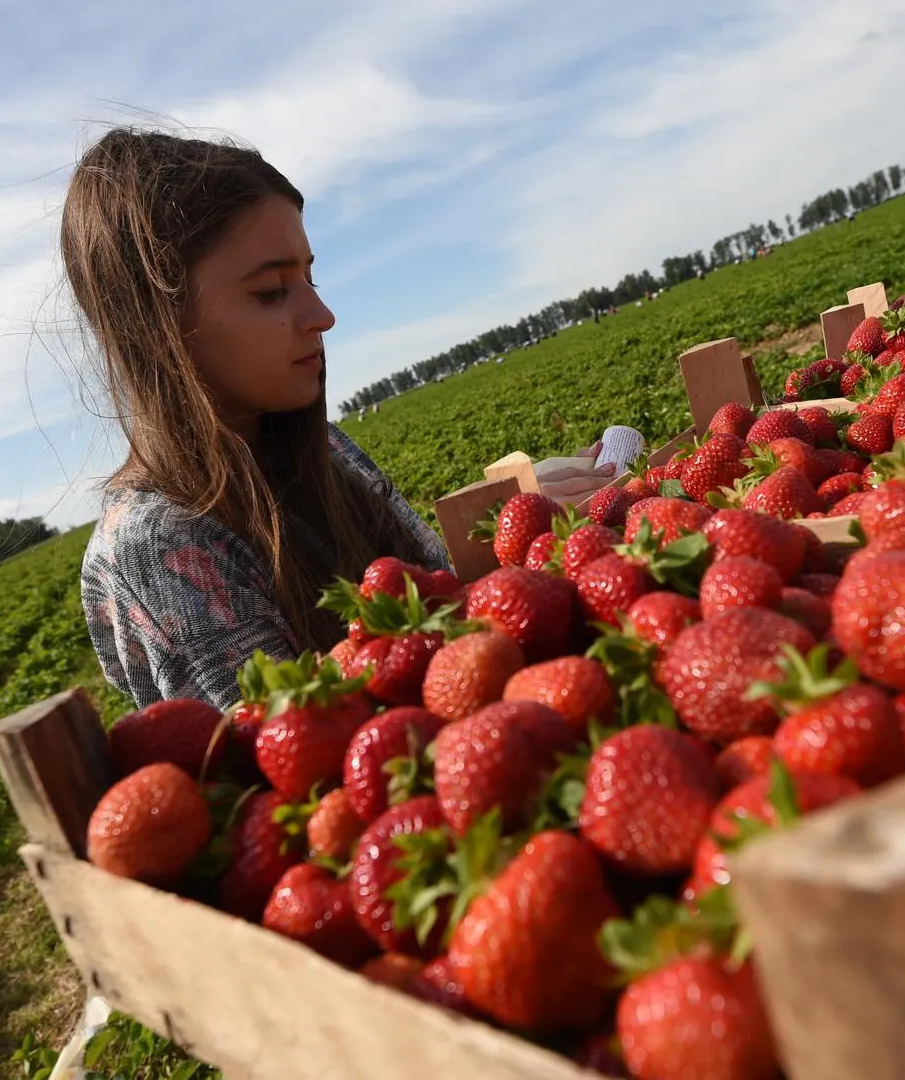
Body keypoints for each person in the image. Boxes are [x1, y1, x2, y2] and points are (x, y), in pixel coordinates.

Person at [64, 129, 613, 710]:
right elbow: (307, 760)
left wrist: (508, 530)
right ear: (157, 326)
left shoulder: (319, 447)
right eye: (273, 291)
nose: (322, 315)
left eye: (310, 278)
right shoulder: (155, 544)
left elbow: (440, 632)